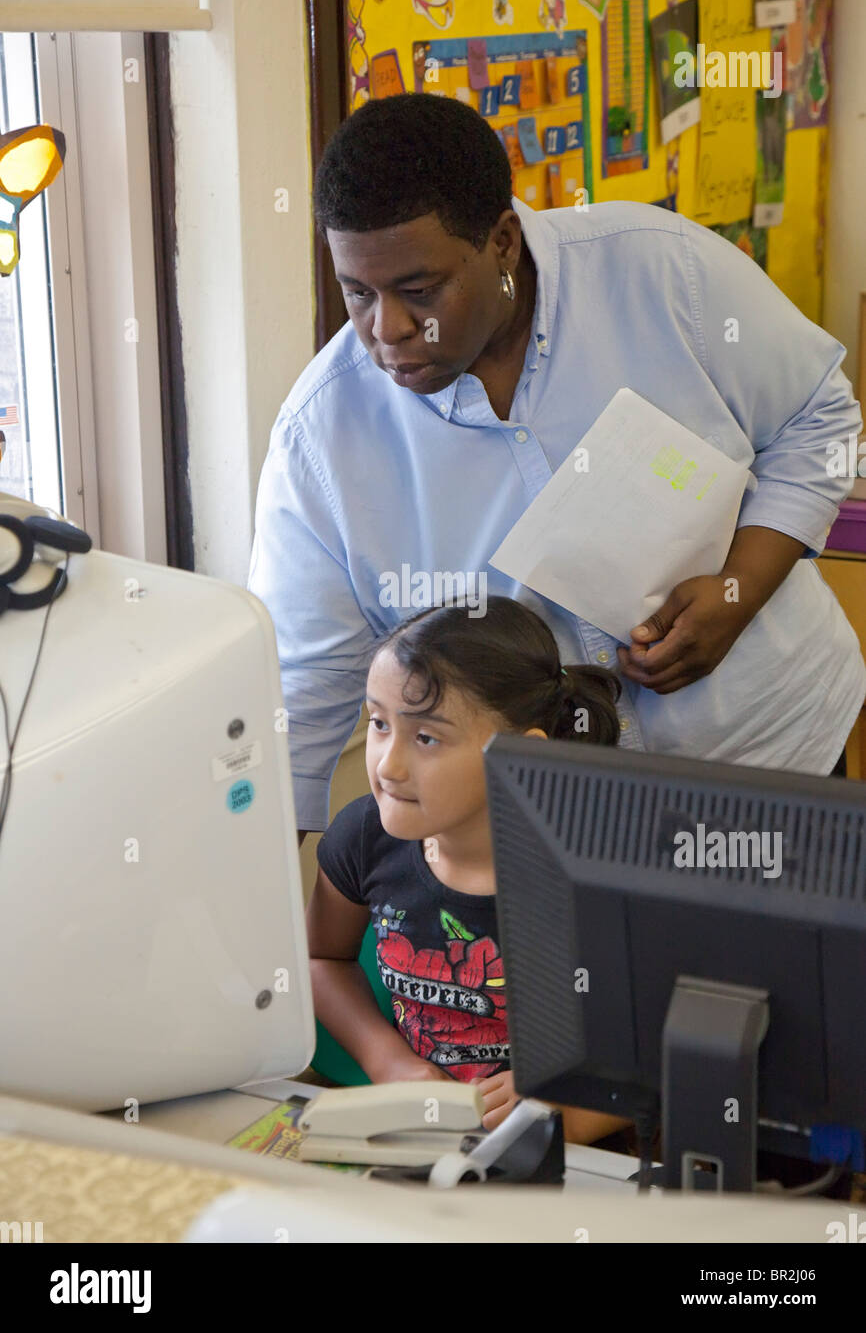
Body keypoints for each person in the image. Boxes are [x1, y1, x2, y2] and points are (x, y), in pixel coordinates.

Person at [248, 93, 865, 843]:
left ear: (503, 241)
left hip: (772, 764)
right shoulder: (323, 436)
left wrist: (739, 590)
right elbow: (301, 697)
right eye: (356, 293)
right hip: (550, 829)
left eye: (419, 291)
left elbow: (819, 419)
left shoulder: (663, 272)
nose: (389, 330)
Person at [306, 596, 626, 1141]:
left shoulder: (601, 869)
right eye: (379, 724)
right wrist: (388, 1062)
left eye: (426, 737)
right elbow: (321, 958)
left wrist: (570, 1109)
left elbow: (678, 1045)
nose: (388, 765)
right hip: (421, 1137)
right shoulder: (363, 838)